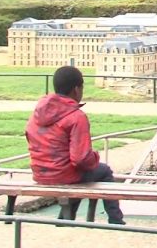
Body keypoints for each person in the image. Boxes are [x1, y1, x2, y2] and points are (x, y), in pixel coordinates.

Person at [25, 66, 125, 225]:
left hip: (40, 173)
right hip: (63, 175)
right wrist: (95, 157)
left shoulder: (36, 114)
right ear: (76, 89)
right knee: (103, 171)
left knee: (76, 175)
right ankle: (116, 220)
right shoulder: (76, 116)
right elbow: (81, 159)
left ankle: (64, 220)